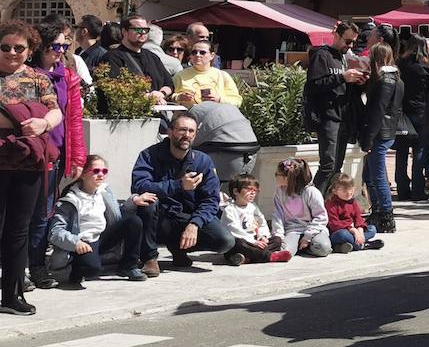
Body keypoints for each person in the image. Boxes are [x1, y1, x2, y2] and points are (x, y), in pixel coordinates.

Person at [0, 22, 63, 315]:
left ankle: (12, 295)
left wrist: (43, 123)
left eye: (19, 48)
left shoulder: (38, 79)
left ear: (29, 50)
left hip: (28, 161)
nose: (12, 53)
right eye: (5, 47)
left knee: (19, 229)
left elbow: (55, 110)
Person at [26, 22, 87, 291]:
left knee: (43, 214)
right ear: (41, 47)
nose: (61, 51)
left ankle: (37, 266)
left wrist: (78, 157)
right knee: (16, 215)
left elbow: (74, 119)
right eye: (56, 46)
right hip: (25, 153)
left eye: (65, 46)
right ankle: (15, 269)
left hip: (55, 153)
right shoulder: (26, 74)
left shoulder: (68, 76)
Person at [130, 113, 234, 269]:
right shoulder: (149, 155)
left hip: (187, 218)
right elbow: (139, 186)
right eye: (182, 130)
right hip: (160, 219)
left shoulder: (202, 161)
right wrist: (179, 185)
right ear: (170, 132)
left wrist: (194, 224)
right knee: (148, 201)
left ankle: (179, 248)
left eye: (191, 131)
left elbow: (211, 200)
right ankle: (149, 258)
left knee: (224, 241)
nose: (187, 135)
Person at [47, 156, 153, 285]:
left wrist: (133, 201)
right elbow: (55, 231)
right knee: (91, 270)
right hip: (83, 242)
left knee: (133, 221)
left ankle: (128, 266)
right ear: (84, 174)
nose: (101, 175)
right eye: (96, 171)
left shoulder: (104, 191)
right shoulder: (70, 200)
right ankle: (75, 268)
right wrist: (75, 243)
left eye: (104, 171)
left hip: (102, 236)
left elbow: (117, 214)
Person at [305, 21, 366, 195]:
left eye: (353, 42)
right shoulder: (322, 55)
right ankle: (312, 203)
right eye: (347, 41)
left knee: (336, 167)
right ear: (336, 35)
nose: (350, 45)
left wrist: (358, 83)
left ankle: (326, 206)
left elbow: (344, 88)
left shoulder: (345, 58)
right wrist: (342, 78)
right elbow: (313, 85)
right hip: (328, 117)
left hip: (344, 118)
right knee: (328, 165)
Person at [360, 43, 404, 234]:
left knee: (377, 175)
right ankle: (378, 211)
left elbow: (378, 111)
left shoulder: (385, 80)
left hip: (380, 132)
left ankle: (386, 214)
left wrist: (368, 138)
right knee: (370, 174)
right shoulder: (396, 78)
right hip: (387, 130)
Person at [394, 37, 429, 202]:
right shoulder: (428, 65)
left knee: (401, 152)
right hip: (422, 111)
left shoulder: (400, 64)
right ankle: (418, 190)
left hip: (403, 112)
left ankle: (402, 189)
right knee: (419, 152)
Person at [268, 157, 330, 261]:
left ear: (288, 177)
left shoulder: (311, 192)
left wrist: (308, 236)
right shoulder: (280, 192)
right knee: (284, 251)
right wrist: (278, 234)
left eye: (278, 174)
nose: (275, 176)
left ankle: (305, 247)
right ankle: (298, 247)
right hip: (293, 230)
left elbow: (320, 216)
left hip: (313, 230)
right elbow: (277, 215)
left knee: (323, 248)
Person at [103, 15, 175, 105]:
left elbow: (169, 84)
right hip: (132, 114)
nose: (143, 33)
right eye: (138, 30)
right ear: (124, 32)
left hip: (158, 114)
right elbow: (114, 88)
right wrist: (148, 97)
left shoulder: (153, 57)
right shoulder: (113, 57)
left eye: (146, 30)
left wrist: (161, 94)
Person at [221, 174, 277, 265]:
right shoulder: (230, 209)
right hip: (244, 241)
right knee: (239, 243)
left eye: (255, 190)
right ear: (236, 191)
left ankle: (247, 258)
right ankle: (269, 256)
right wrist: (253, 242)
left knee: (277, 240)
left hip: (254, 241)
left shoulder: (253, 207)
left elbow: (261, 223)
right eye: (249, 189)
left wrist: (263, 236)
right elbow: (234, 230)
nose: (253, 193)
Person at [173, 39, 242, 108]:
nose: (197, 55)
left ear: (212, 56)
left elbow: (237, 101)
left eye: (202, 52)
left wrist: (219, 99)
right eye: (194, 52)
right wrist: (179, 97)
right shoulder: (180, 75)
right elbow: (168, 97)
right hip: (187, 116)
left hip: (216, 115)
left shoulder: (223, 76)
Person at [325, 175, 384, 252]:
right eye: (344, 190)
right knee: (342, 235)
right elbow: (333, 224)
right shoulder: (331, 204)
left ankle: (353, 244)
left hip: (353, 232)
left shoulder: (352, 202)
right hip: (338, 231)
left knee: (372, 229)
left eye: (351, 189)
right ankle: (363, 244)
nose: (349, 192)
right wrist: (353, 230)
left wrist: (360, 230)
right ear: (334, 191)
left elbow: (358, 218)